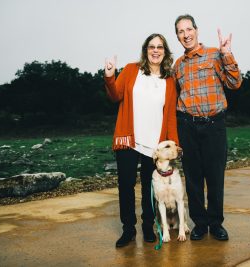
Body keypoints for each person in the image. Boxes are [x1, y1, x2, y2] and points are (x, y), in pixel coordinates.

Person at [104, 33, 179, 248]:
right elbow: (115, 95)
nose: (155, 50)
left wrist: (173, 143)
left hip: (154, 144)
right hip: (128, 139)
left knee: (150, 187)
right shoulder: (130, 70)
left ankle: (149, 226)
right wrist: (110, 75)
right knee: (126, 185)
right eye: (151, 47)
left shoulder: (169, 80)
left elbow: (171, 114)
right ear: (146, 50)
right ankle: (128, 229)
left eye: (160, 47)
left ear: (165, 52)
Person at [173, 14, 242, 241]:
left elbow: (235, 83)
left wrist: (227, 54)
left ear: (196, 30)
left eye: (189, 29)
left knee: (214, 177)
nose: (186, 35)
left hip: (214, 125)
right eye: (181, 32)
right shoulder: (178, 66)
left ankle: (216, 223)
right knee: (193, 178)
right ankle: (200, 224)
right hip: (187, 126)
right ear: (178, 36)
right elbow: (174, 96)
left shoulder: (214, 55)